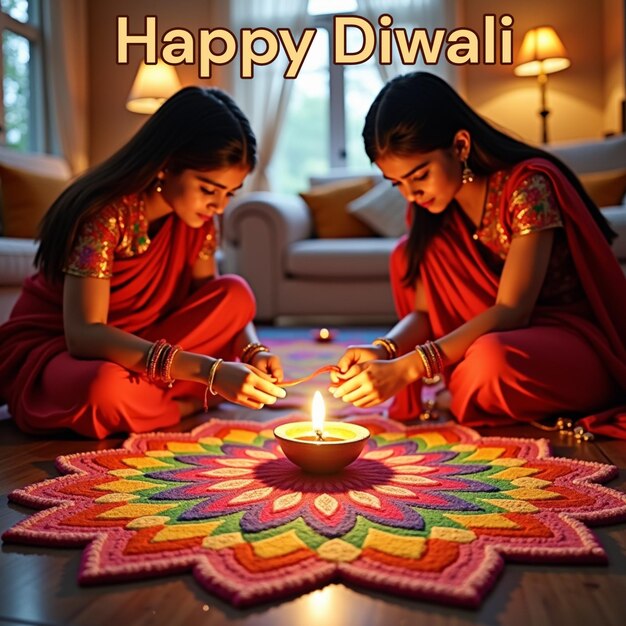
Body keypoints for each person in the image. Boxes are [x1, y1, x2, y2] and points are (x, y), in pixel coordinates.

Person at [330, 71, 626, 439]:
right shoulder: (432, 213)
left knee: (490, 362)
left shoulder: (528, 187)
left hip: (565, 343)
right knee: (473, 352)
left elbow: (512, 311)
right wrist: (384, 350)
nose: (410, 194)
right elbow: (424, 312)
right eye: (397, 183)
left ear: (460, 146)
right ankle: (467, 395)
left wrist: (410, 368)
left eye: (419, 175)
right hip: (485, 347)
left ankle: (462, 397)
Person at [0, 86, 286, 439]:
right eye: (209, 190)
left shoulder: (198, 222)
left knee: (235, 293)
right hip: (68, 352)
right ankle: (185, 405)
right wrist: (209, 372)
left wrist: (253, 350)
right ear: (167, 166)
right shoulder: (104, 215)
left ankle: (155, 401)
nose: (220, 206)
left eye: (229, 193)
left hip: (146, 349)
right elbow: (84, 335)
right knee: (103, 389)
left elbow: (216, 305)